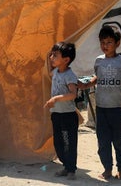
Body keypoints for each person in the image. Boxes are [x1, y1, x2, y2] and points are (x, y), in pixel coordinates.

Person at [78, 25, 121, 180]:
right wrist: (86, 84)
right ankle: (107, 169)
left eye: (109, 42)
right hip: (101, 108)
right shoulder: (98, 61)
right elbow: (98, 77)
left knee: (119, 140)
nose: (105, 46)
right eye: (102, 42)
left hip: (117, 108)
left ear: (117, 43)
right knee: (103, 141)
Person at [44, 41, 79, 180]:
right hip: (56, 114)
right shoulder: (56, 72)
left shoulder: (69, 75)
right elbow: (47, 66)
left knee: (69, 143)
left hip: (68, 116)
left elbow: (73, 94)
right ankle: (66, 166)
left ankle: (71, 170)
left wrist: (56, 99)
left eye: (55, 55)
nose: (52, 57)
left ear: (66, 60)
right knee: (58, 143)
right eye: (51, 55)